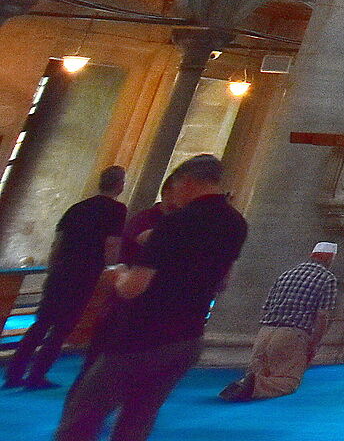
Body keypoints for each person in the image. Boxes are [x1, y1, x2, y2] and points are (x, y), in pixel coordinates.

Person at [53, 154, 247, 441]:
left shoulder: (176, 223)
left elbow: (134, 287)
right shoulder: (236, 224)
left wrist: (116, 274)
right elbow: (223, 281)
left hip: (142, 336)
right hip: (189, 336)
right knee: (138, 419)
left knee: (82, 415)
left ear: (188, 182)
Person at [5, 166, 126, 391]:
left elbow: (58, 241)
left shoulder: (77, 208)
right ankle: (37, 375)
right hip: (84, 274)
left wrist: (53, 267)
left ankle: (14, 373)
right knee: (61, 328)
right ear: (119, 185)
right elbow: (112, 243)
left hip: (61, 271)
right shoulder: (116, 210)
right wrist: (112, 269)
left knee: (41, 323)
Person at [217, 240, 339, 401]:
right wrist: (314, 343)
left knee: (260, 372)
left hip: (265, 332)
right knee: (288, 381)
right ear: (330, 259)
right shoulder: (327, 278)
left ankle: (242, 385)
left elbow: (266, 307)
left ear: (312, 255)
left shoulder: (286, 274)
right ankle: (252, 387)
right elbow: (322, 315)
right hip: (293, 334)